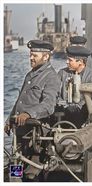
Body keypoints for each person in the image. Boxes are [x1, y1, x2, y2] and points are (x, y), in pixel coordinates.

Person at [4, 40, 61, 181]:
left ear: (46, 57)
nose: (31, 58)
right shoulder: (30, 75)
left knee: (31, 175)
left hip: (36, 137)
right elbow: (20, 101)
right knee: (15, 168)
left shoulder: (51, 77)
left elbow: (49, 105)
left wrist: (29, 114)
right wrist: (8, 120)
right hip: (20, 133)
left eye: (34, 55)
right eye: (30, 54)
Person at [57, 45, 92, 128]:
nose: (67, 62)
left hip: (82, 114)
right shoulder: (62, 73)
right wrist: (64, 104)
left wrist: (79, 105)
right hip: (63, 111)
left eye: (70, 60)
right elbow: (55, 92)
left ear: (80, 62)